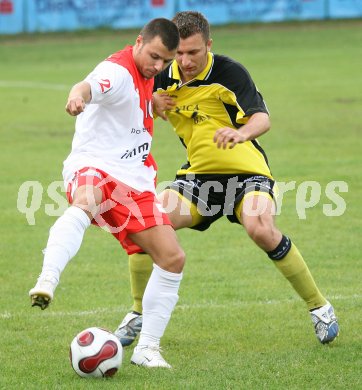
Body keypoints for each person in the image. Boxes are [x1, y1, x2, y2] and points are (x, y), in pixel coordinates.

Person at [114, 11, 339, 347]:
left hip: (248, 175)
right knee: (144, 224)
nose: (186, 61)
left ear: (209, 45)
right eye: (179, 53)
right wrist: (148, 101)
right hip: (198, 179)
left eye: (194, 52)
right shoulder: (159, 76)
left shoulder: (229, 72)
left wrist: (241, 134)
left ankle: (319, 307)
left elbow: (262, 118)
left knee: (260, 228)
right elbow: (124, 102)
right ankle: (137, 312)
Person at [29, 18, 185, 369]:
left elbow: (136, 104)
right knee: (86, 200)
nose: (158, 67)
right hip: (95, 166)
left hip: (135, 179)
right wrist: (75, 97)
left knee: (172, 258)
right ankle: (47, 278)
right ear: (139, 41)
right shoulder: (116, 70)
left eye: (165, 62)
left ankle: (147, 349)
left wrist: (153, 104)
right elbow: (87, 86)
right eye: (155, 57)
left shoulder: (147, 76)